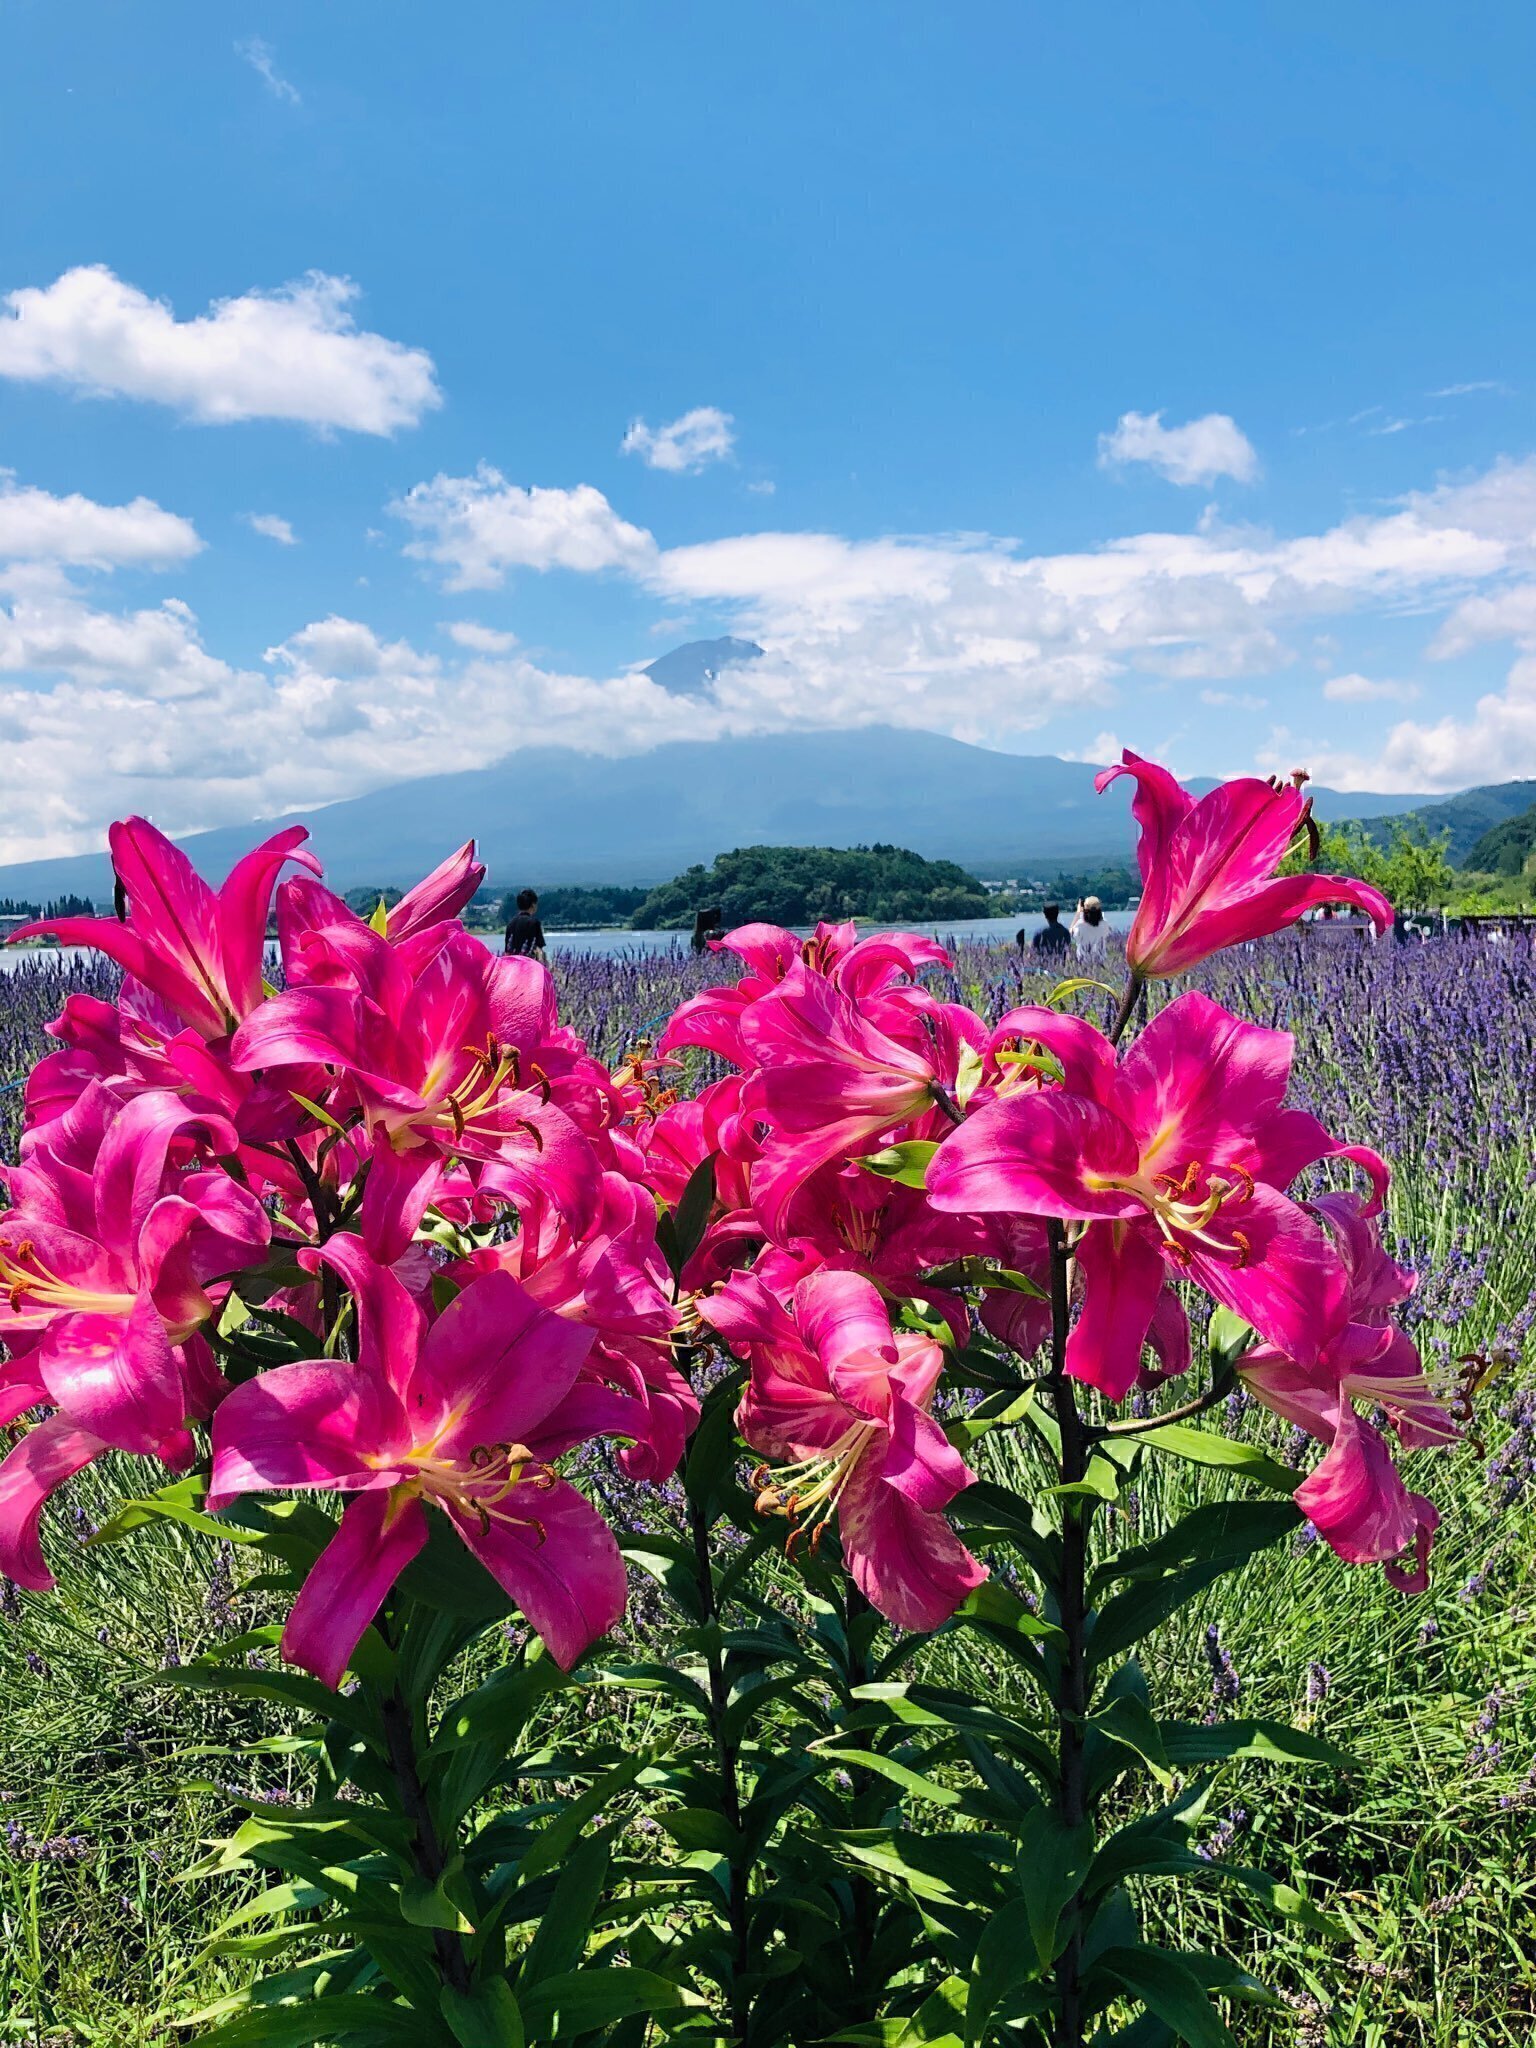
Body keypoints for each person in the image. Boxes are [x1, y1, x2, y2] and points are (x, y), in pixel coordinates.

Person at [503, 887, 547, 963]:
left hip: (513, 966)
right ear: (533, 905)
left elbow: (507, 951)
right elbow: (539, 949)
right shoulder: (534, 923)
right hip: (529, 966)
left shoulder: (511, 923)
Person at [1070, 894, 1109, 965]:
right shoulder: (1105, 923)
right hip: (1100, 961)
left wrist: (1078, 913)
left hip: (1084, 961)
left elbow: (1072, 934)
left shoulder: (1080, 925)